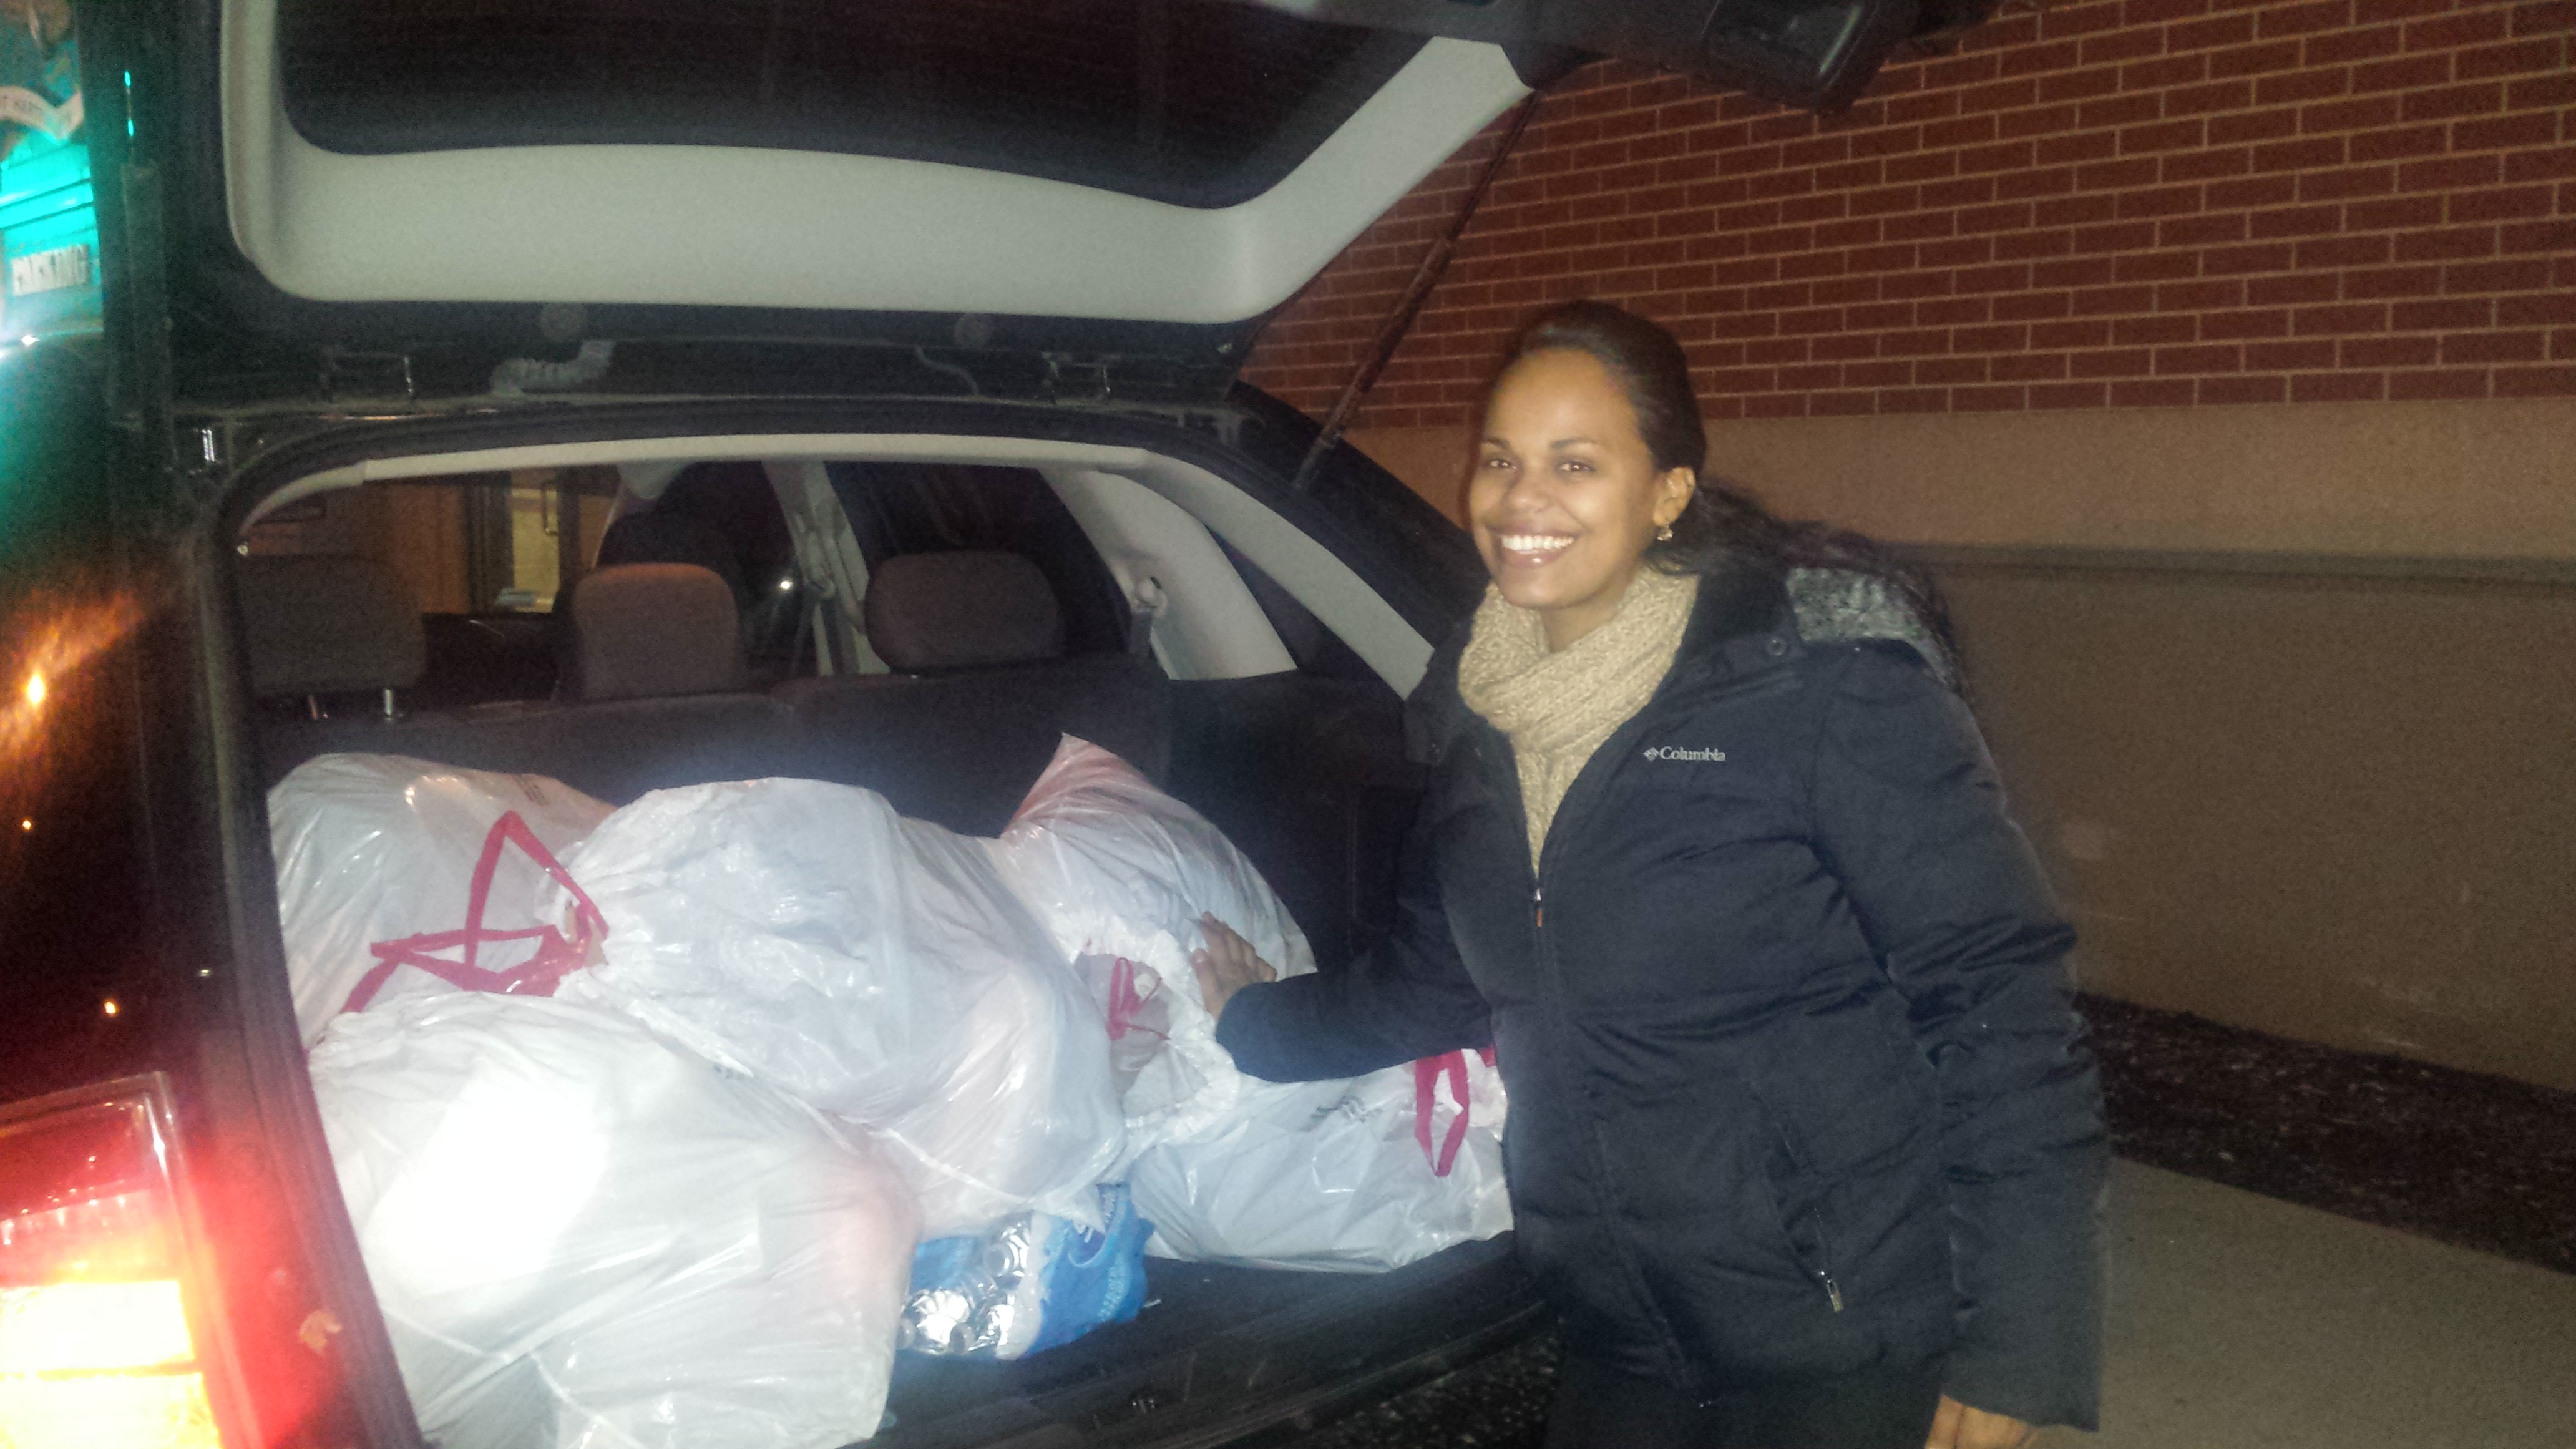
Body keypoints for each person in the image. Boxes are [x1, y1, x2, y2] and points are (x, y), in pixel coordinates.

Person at [1192, 301, 2105, 1449]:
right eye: (1500, 460)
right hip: (1620, 1327)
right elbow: (1438, 981)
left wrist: (2021, 1346)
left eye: (1574, 464)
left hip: (1843, 1329)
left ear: (1667, 492)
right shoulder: (1479, 729)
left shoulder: (1815, 693)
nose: (1521, 500)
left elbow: (2000, 1000)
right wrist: (1251, 1021)